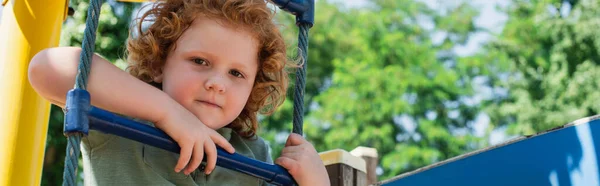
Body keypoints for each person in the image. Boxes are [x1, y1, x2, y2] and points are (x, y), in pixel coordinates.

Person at [28, 0, 329, 185]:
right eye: (200, 61)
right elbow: (47, 67)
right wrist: (167, 112)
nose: (217, 83)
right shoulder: (125, 119)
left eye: (236, 73)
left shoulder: (253, 154)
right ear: (159, 64)